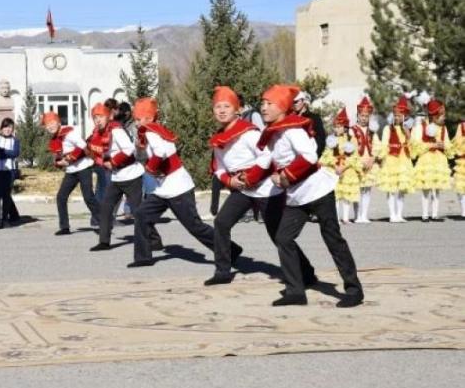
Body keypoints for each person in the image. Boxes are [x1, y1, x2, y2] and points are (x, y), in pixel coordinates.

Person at [258, 84, 363, 308]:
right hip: (297, 196)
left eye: (269, 103)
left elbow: (309, 156)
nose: (263, 108)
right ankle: (296, 291)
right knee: (283, 238)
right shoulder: (273, 132)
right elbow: (267, 162)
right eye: (262, 103)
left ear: (282, 107)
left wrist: (285, 176)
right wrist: (248, 177)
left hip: (317, 190)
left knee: (332, 237)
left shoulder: (293, 129)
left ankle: (354, 289)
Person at [204, 86, 312, 285]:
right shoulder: (218, 138)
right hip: (243, 190)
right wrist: (229, 181)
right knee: (221, 223)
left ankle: (306, 273)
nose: (222, 110)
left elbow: (267, 156)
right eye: (218, 107)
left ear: (237, 109)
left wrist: (251, 177)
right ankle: (222, 271)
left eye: (226, 106)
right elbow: (219, 168)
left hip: (266, 189)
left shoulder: (249, 133)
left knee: (278, 235)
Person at [128, 97, 239, 268]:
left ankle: (231, 249)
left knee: (195, 226)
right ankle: (143, 258)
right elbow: (147, 154)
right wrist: (139, 149)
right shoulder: (152, 132)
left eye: (138, 119)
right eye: (135, 119)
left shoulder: (151, 131)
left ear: (149, 118)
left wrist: (150, 168)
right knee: (142, 215)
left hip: (178, 187)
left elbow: (160, 152)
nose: (136, 123)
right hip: (162, 189)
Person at [87, 102, 162, 252]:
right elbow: (94, 151)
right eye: (95, 117)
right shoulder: (97, 133)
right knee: (106, 208)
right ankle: (104, 242)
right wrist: (99, 160)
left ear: (108, 116)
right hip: (116, 177)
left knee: (137, 211)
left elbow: (129, 148)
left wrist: (113, 162)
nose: (98, 120)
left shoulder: (116, 130)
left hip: (131, 175)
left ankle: (155, 240)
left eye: (100, 116)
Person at [42, 111, 98, 235]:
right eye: (47, 125)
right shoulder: (54, 140)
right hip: (71, 171)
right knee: (61, 197)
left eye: (52, 123)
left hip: (83, 167)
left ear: (58, 122)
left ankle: (103, 222)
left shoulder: (69, 133)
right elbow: (57, 158)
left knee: (88, 197)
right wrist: (58, 163)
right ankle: (64, 227)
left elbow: (83, 146)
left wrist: (69, 158)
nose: (50, 126)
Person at [411, 98, 454, 222]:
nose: (444, 118)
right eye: (442, 115)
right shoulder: (421, 127)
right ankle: (425, 215)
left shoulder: (443, 129)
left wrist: (444, 146)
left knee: (437, 188)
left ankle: (434, 214)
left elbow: (448, 144)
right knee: (426, 189)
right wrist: (432, 145)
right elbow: (416, 145)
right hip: (426, 160)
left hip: (439, 161)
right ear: (434, 116)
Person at [377, 96, 416, 223]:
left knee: (401, 189)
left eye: (400, 115)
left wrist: (408, 134)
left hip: (404, 160)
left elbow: (413, 146)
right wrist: (382, 158)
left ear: (405, 116)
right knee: (391, 189)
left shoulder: (408, 129)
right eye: (395, 115)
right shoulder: (388, 128)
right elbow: (384, 144)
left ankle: (399, 214)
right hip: (391, 160)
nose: (397, 117)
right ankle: (392, 214)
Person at [319, 110, 362, 224]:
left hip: (347, 170)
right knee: (336, 194)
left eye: (339, 127)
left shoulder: (351, 139)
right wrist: (335, 165)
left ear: (345, 128)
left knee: (347, 193)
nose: (336, 129)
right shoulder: (331, 139)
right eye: (335, 127)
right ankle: (336, 217)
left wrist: (344, 167)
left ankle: (346, 217)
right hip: (334, 170)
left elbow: (354, 156)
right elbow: (327, 155)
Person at [349, 97, 380, 223]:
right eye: (362, 116)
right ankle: (357, 215)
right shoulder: (352, 130)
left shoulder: (372, 132)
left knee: (367, 189)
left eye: (367, 116)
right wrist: (360, 162)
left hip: (370, 162)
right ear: (358, 116)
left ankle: (364, 215)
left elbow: (377, 146)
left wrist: (372, 159)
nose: (364, 118)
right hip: (358, 162)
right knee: (357, 189)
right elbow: (351, 147)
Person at [0, 117, 20, 228]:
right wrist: (6, 153)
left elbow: (15, 153)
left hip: (9, 171)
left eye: (10, 127)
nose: (8, 129)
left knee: (7, 196)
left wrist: (2, 151)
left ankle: (5, 219)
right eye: (6, 127)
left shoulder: (15, 140)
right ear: (2, 128)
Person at [454, 118, 465, 219]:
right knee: (461, 186)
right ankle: (463, 211)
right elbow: (457, 142)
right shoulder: (461, 126)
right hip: (463, 161)